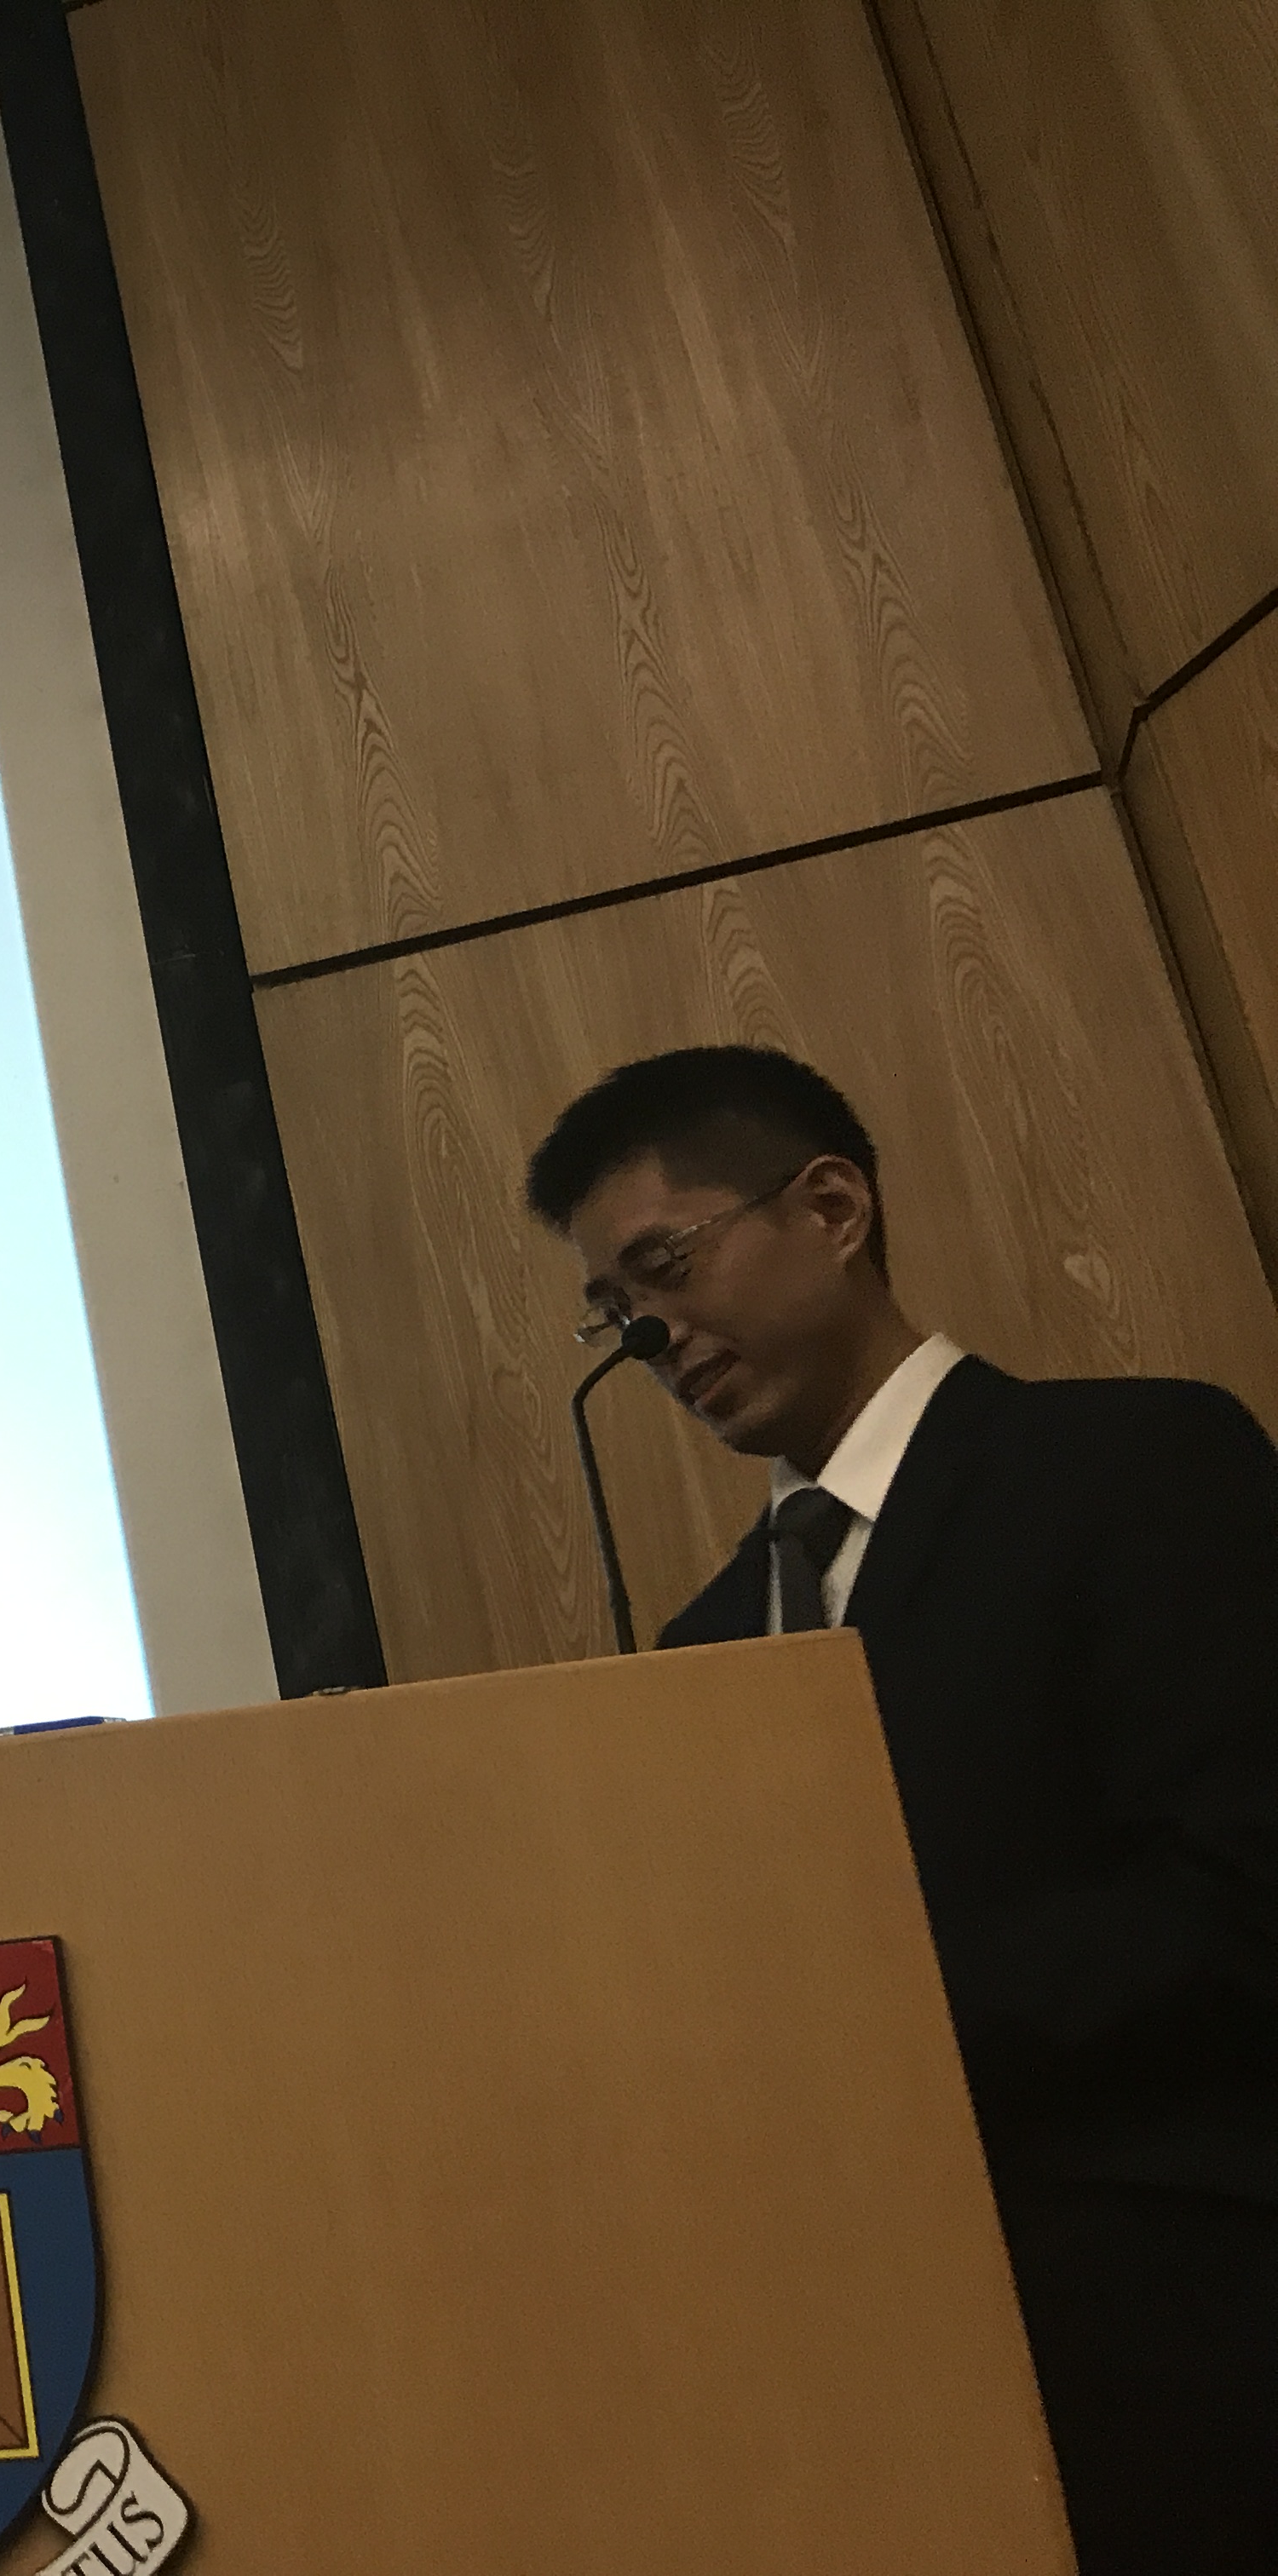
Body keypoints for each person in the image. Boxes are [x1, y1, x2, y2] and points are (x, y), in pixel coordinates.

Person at [525, 1044, 1278, 2573]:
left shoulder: (1132, 1465)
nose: (650, 1338)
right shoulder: (703, 1649)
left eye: (665, 1267)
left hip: (1194, 2325)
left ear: (833, 1208)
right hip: (876, 2388)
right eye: (614, 1311)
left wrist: (879, 2024)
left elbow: (1240, 1892)